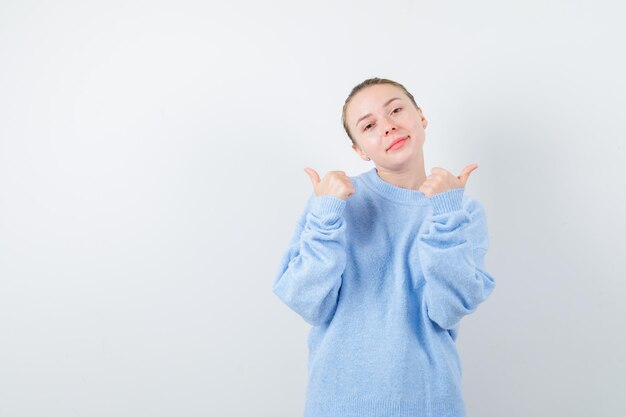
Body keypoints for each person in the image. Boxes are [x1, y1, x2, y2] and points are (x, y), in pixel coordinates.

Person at [272, 77, 496, 417]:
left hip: (429, 404)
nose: (389, 127)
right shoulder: (332, 202)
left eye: (396, 110)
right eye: (369, 125)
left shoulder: (460, 210)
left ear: (421, 117)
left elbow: (447, 310)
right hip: (338, 404)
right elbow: (308, 303)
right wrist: (326, 217)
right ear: (360, 150)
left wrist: (447, 214)